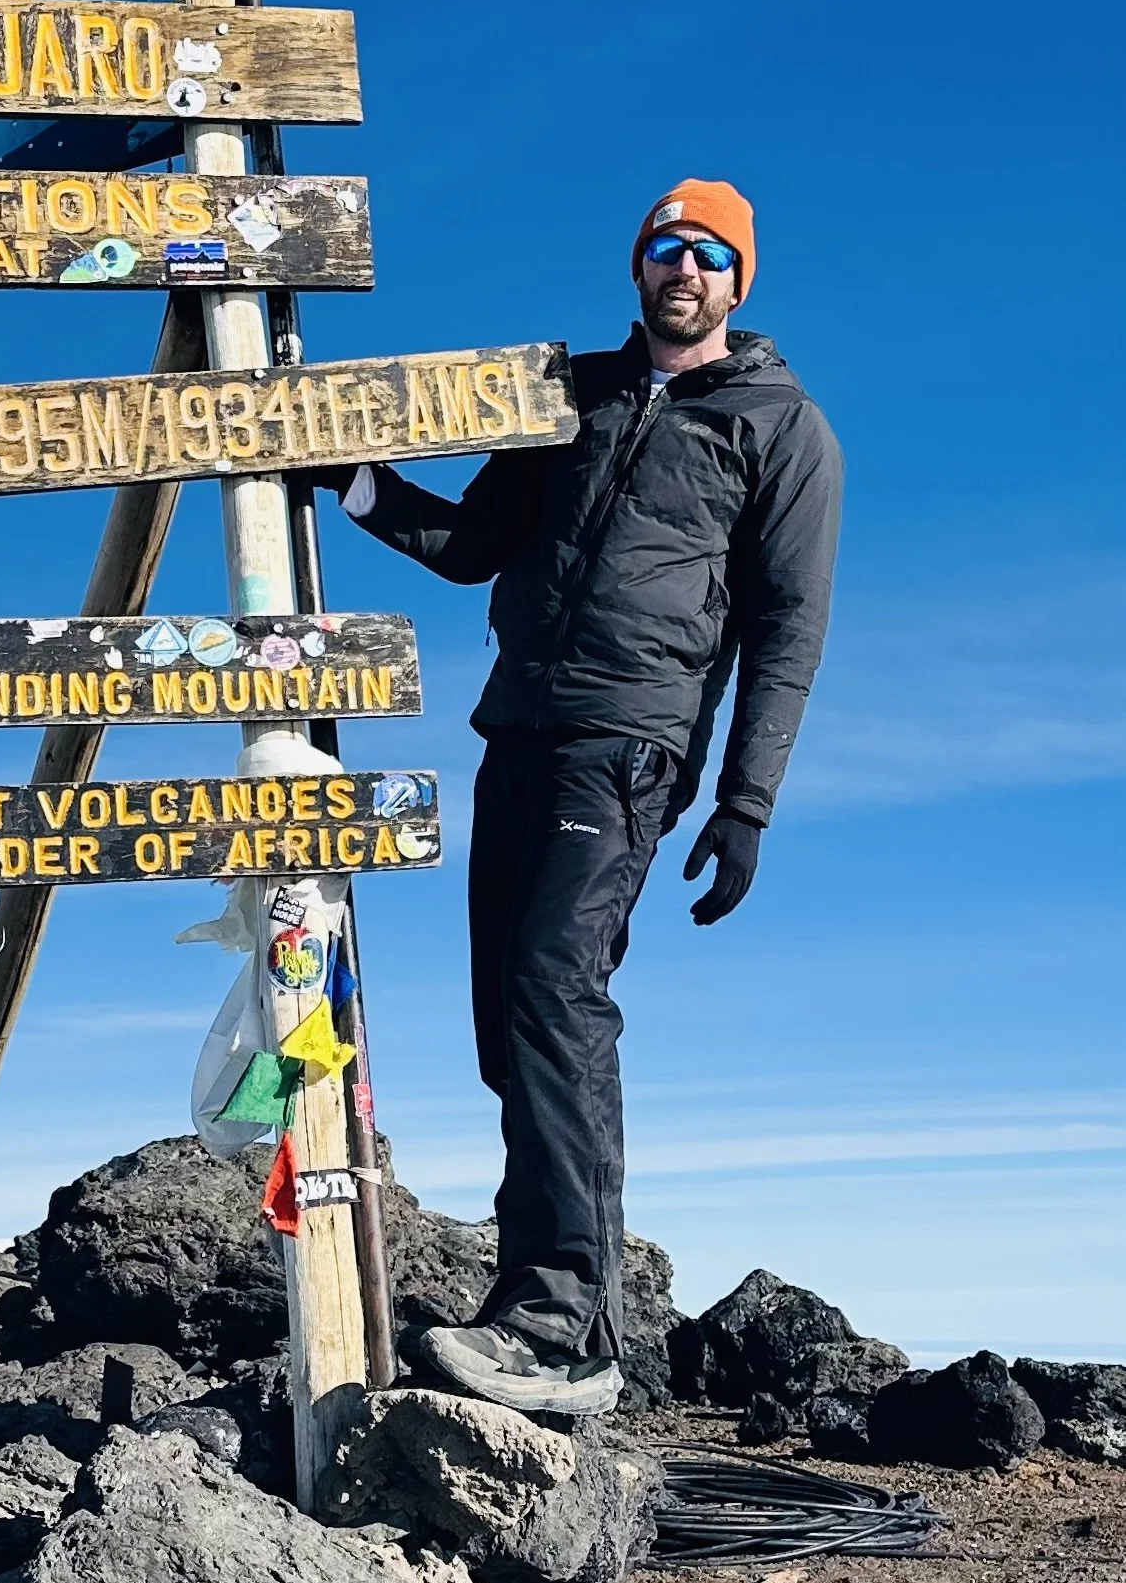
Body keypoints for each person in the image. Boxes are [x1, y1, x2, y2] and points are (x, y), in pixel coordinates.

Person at [327, 178, 841, 1422]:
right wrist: (346, 476)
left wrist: (746, 803)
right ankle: (537, 1308)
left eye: (712, 255)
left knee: (557, 992)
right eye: (669, 247)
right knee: (510, 1023)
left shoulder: (779, 426)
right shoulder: (569, 397)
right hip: (520, 727)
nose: (687, 269)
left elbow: (788, 625)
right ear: (640, 265)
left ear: (739, 279)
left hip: (627, 746)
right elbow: (472, 548)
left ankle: (565, 1323)